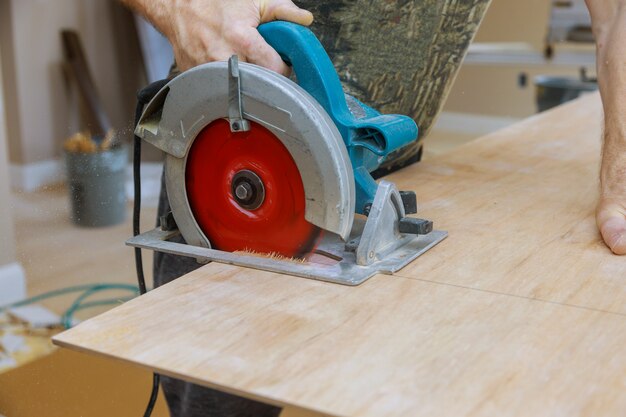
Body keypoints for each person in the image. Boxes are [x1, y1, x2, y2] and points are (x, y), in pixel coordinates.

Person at [120, 0, 626, 416]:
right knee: (223, 391)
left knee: (376, 385)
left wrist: (619, 178)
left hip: (380, 156)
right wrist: (183, 7)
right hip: (238, 128)